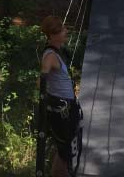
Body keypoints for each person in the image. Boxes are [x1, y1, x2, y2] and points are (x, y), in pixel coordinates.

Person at [40, 16, 82, 177]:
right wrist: (45, 80)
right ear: (52, 35)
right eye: (61, 30)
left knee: (63, 151)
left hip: (66, 107)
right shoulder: (50, 55)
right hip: (61, 111)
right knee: (66, 151)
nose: (66, 31)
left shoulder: (56, 52)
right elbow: (42, 77)